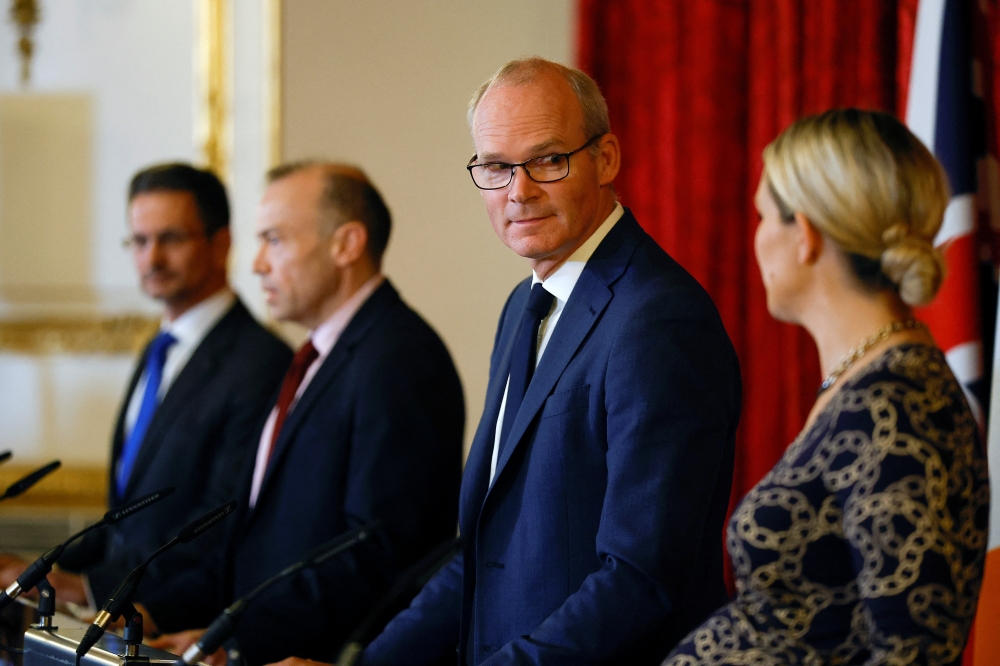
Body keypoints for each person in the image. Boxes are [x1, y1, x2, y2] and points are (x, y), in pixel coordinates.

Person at [325, 57, 741, 666]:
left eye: (548, 159)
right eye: (496, 166)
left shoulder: (658, 320)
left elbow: (640, 577)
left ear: (606, 159)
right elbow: (480, 556)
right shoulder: (524, 304)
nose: (519, 191)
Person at [664, 109, 989, 665]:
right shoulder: (867, 382)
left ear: (805, 236)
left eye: (765, 216)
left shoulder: (896, 406)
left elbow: (913, 652)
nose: (758, 236)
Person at [149, 162, 465, 665]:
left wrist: (238, 641)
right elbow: (259, 539)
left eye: (274, 239)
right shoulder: (316, 357)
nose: (256, 264)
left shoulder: (400, 359)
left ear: (346, 244)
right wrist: (197, 627)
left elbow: (378, 554)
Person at [0, 163, 292, 617]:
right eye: (139, 240)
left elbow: (217, 522)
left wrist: (92, 588)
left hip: (178, 620)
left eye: (171, 239)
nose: (151, 258)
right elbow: (126, 516)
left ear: (222, 243)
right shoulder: (159, 349)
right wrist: (43, 570)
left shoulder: (260, 361)